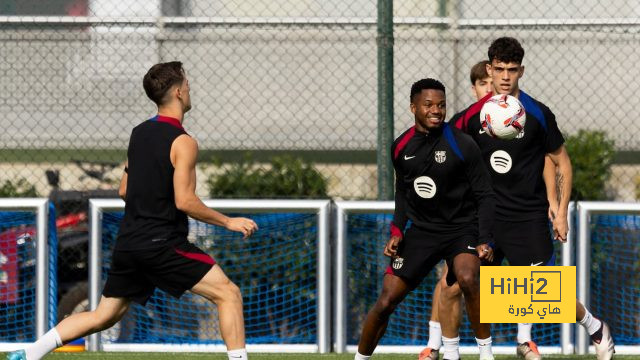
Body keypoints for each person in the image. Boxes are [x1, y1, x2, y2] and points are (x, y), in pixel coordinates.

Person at [7, 61, 258, 360]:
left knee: (104, 315)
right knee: (228, 294)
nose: (190, 91)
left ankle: (29, 353)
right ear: (178, 92)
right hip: (162, 244)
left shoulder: (139, 133)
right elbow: (185, 201)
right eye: (188, 86)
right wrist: (228, 221)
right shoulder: (184, 142)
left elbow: (124, 190)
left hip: (130, 244)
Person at [451, 37, 615, 360]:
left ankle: (583, 329)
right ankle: (445, 348)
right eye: (499, 69)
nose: (505, 77)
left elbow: (561, 162)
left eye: (512, 70)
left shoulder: (538, 114)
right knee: (458, 284)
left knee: (541, 294)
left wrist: (560, 211)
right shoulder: (471, 117)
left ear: (521, 71)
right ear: (489, 69)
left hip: (526, 215)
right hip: (484, 218)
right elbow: (448, 152)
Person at [355, 78, 496, 360]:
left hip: (461, 230)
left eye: (441, 105)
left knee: (468, 277)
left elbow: (485, 195)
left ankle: (486, 354)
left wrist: (485, 239)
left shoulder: (463, 144)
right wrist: (397, 231)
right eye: (429, 105)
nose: (436, 110)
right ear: (413, 107)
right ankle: (361, 358)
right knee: (386, 300)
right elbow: (403, 193)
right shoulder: (401, 148)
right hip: (422, 231)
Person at [419, 60, 493, 360]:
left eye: (494, 82)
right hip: (467, 212)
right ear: (474, 87)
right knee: (451, 278)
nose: (490, 88)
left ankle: (524, 339)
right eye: (484, 83)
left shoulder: (515, 115)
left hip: (508, 208)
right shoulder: (463, 122)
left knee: (525, 276)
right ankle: (436, 343)